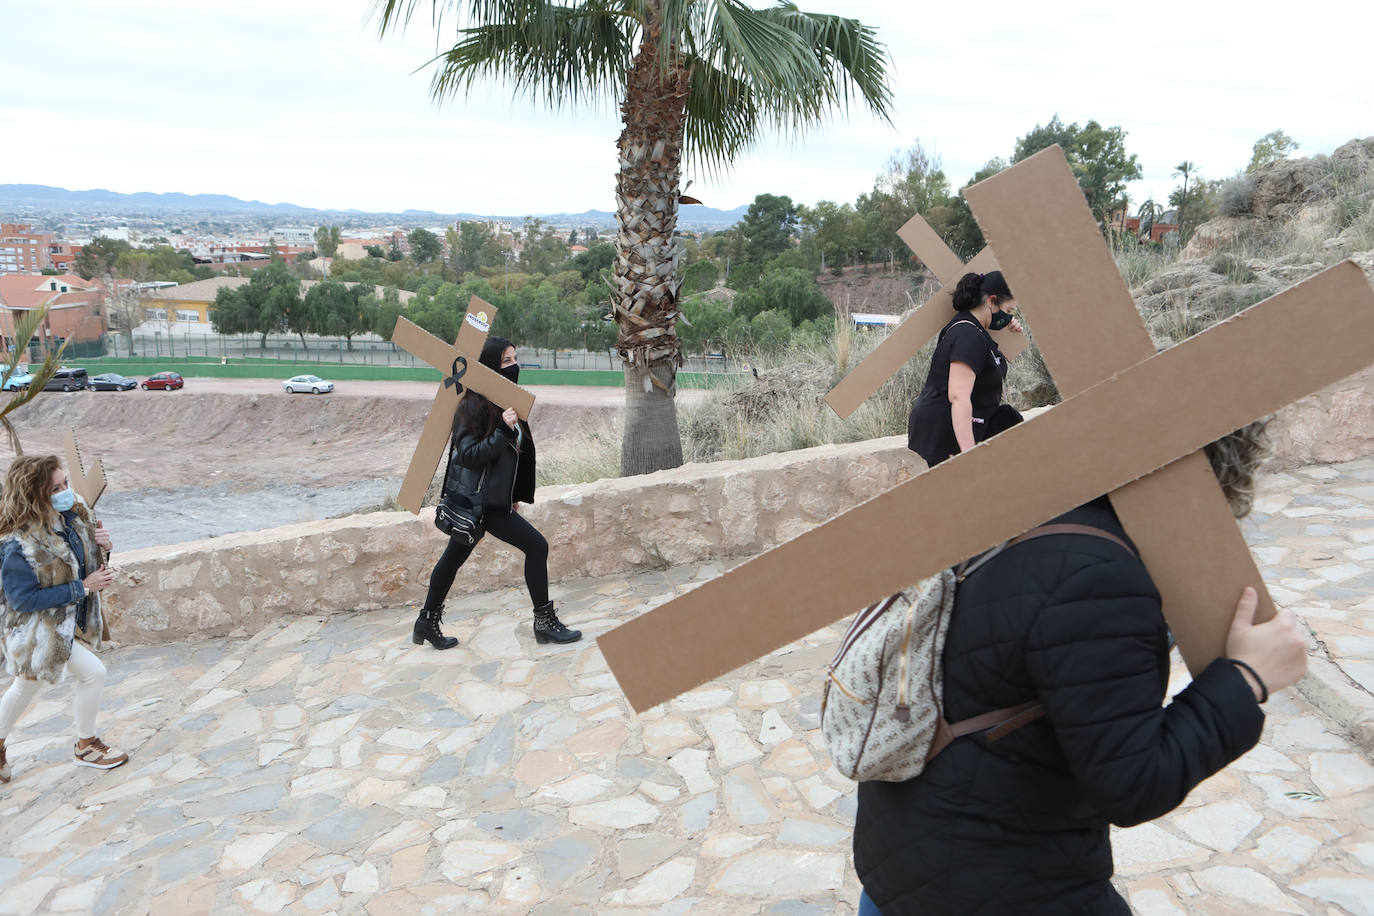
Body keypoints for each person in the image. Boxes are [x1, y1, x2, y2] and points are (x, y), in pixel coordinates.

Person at [852, 422, 1308, 914]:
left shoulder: (1027, 510)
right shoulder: (1101, 578)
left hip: (906, 860)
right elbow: (1134, 784)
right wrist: (1246, 680)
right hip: (983, 882)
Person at [412, 336, 582, 650]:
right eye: (505, 361)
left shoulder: (506, 403)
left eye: (515, 359)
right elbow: (467, 454)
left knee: (452, 560)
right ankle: (544, 624)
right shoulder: (473, 404)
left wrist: (512, 494)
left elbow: (512, 456)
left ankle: (426, 622)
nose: (513, 366)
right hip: (481, 506)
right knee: (537, 546)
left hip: (495, 501)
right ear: (489, 366)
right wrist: (502, 430)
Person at [0, 455, 126, 785]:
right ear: (34, 493)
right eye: (55, 488)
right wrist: (82, 588)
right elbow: (22, 600)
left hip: (62, 626)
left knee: (26, 689)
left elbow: (84, 561)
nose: (65, 492)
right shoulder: (18, 544)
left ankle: (85, 745)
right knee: (33, 686)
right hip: (36, 632)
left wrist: (105, 546)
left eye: (65, 483)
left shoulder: (72, 516)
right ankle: (86, 746)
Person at [907, 270, 1025, 467]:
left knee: (1008, 418)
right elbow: (958, 396)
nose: (1008, 316)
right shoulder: (967, 335)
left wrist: (1009, 326)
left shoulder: (976, 331)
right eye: (1009, 310)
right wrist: (969, 455)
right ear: (991, 301)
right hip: (944, 433)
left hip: (961, 426)